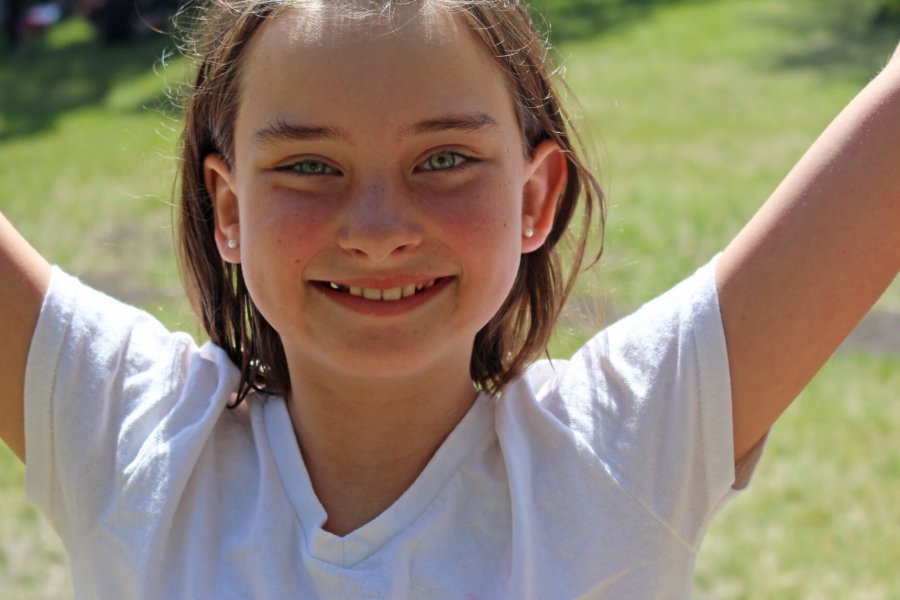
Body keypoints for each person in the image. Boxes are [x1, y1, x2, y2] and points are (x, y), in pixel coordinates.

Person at [0, 0, 897, 597]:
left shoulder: (625, 451)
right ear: (228, 210)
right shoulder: (126, 438)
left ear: (535, 198)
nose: (380, 227)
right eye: (310, 166)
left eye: (444, 161)